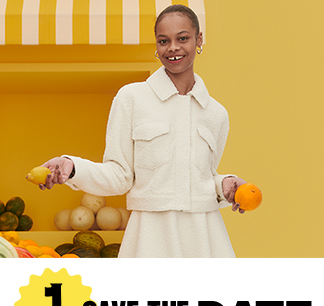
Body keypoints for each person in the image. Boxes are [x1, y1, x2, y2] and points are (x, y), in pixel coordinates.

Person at [38, 4, 248, 258]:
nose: (173, 48)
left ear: (199, 39)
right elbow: (119, 175)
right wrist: (72, 167)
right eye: (163, 41)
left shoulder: (216, 114)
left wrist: (225, 185)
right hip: (150, 238)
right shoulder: (132, 98)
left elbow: (201, 178)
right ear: (157, 45)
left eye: (183, 38)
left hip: (205, 239)